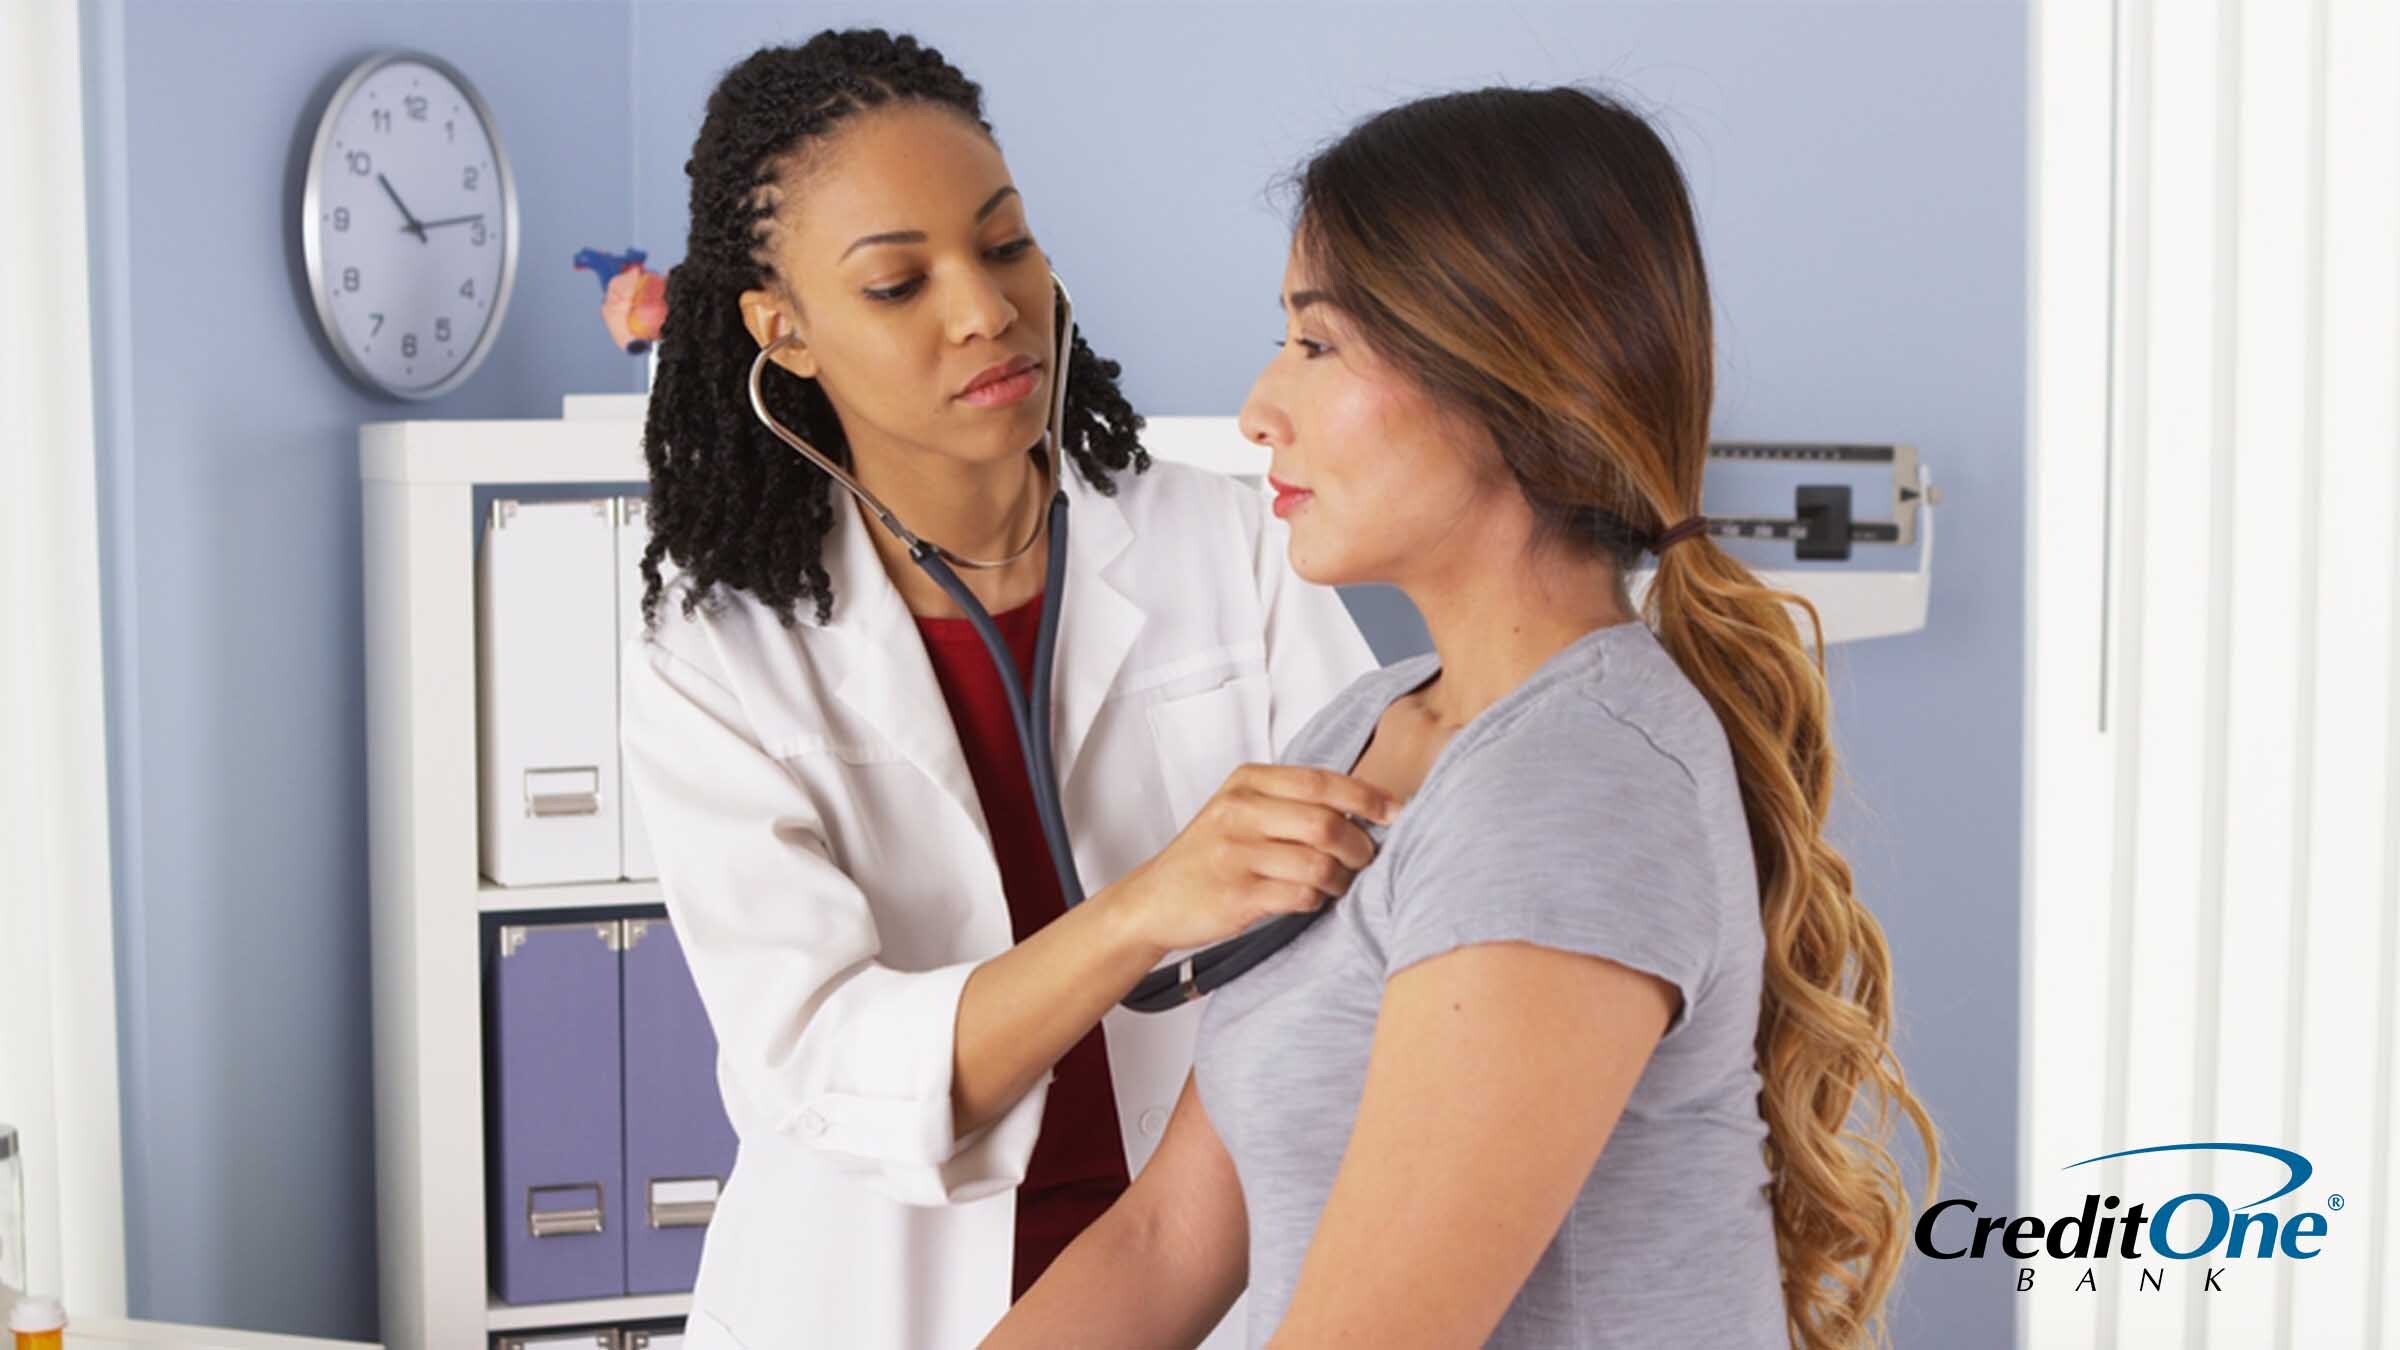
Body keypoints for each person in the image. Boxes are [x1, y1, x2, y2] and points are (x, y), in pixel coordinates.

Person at [989, 85, 1943, 1350]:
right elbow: (1167, 1241)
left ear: (1506, 372)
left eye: (1315, 345)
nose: (1263, 407)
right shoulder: (1360, 730)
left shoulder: (1578, 776)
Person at [618, 30, 1389, 1349]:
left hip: (1209, 1266)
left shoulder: (1235, 546)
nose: (982, 308)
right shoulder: (723, 649)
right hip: (878, 1295)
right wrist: (1151, 907)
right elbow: (817, 1060)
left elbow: (1373, 910)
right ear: (781, 330)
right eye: (898, 282)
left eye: (1006, 244)